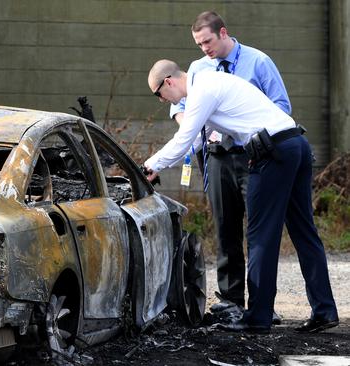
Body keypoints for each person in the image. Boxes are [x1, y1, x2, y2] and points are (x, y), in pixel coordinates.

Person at [144, 59, 338, 333]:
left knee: (260, 236)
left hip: (273, 154)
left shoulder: (202, 89)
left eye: (159, 95)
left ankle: (258, 318)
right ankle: (325, 310)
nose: (163, 101)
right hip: (296, 144)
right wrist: (158, 164)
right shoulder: (213, 83)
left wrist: (150, 165)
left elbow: (184, 138)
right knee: (304, 231)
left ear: (169, 82)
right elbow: (198, 140)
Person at [171, 11, 291, 318]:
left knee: (258, 230)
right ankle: (230, 299)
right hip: (217, 157)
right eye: (198, 44)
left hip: (253, 156)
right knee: (225, 229)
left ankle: (263, 304)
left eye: (207, 41)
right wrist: (191, 122)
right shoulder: (198, 68)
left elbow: (281, 106)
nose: (204, 49)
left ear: (223, 33)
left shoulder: (258, 62)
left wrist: (255, 135)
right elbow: (179, 104)